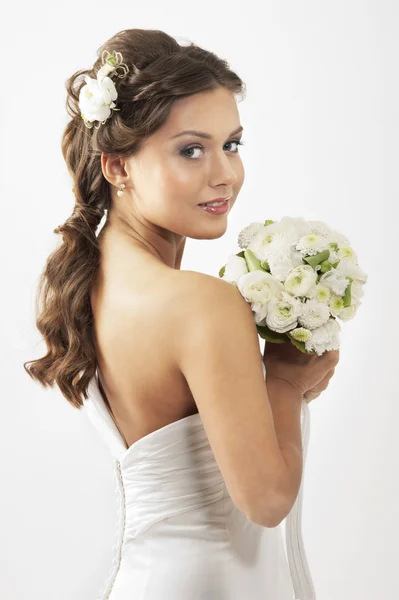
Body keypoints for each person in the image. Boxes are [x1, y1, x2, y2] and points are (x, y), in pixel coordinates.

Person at [24, 28, 339, 600]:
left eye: (232, 145)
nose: (224, 174)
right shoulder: (201, 304)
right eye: (191, 149)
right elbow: (266, 501)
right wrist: (287, 384)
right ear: (117, 167)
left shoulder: (85, 280)